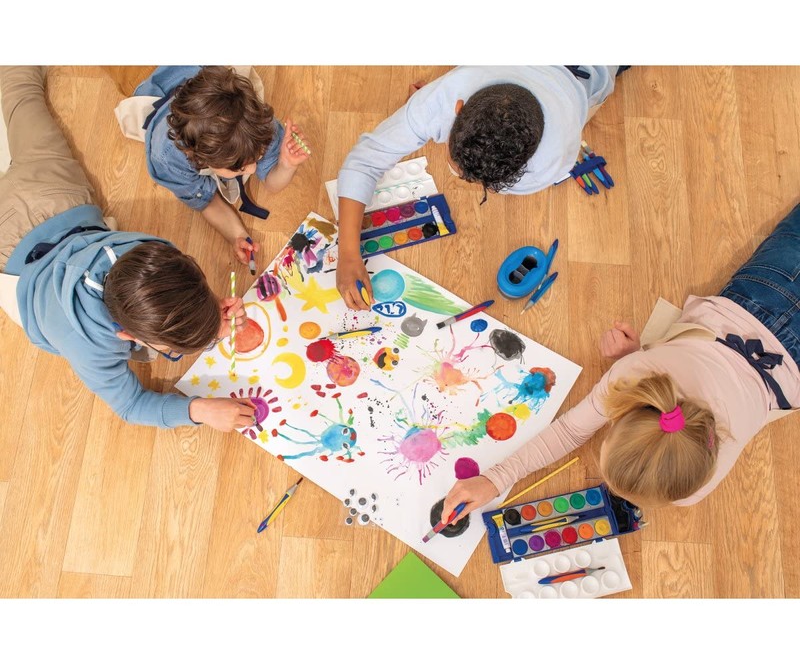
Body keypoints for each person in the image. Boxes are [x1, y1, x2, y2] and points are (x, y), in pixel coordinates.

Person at [440, 203, 800, 523]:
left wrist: (497, 478)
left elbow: (569, 433)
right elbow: (571, 430)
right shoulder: (635, 374)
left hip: (774, 332)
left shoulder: (695, 483)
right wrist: (636, 359)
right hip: (757, 296)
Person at [0, 66, 257, 431]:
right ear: (128, 337)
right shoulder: (86, 344)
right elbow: (131, 405)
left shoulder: (154, 254)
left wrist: (209, 313)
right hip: (21, 252)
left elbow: (177, 291)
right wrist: (197, 410)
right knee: (22, 100)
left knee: (23, 95)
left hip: (54, 194)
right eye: (169, 351)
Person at [335, 66, 619, 310]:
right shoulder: (441, 98)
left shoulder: (553, 158)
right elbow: (364, 161)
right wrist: (348, 254)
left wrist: (423, 116)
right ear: (458, 108)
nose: (461, 177)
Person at [127, 66, 310, 267]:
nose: (252, 170)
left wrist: (286, 164)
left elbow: (271, 182)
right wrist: (235, 234)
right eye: (240, 168)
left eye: (257, 157)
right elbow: (205, 201)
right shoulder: (168, 159)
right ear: (200, 158)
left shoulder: (256, 124)